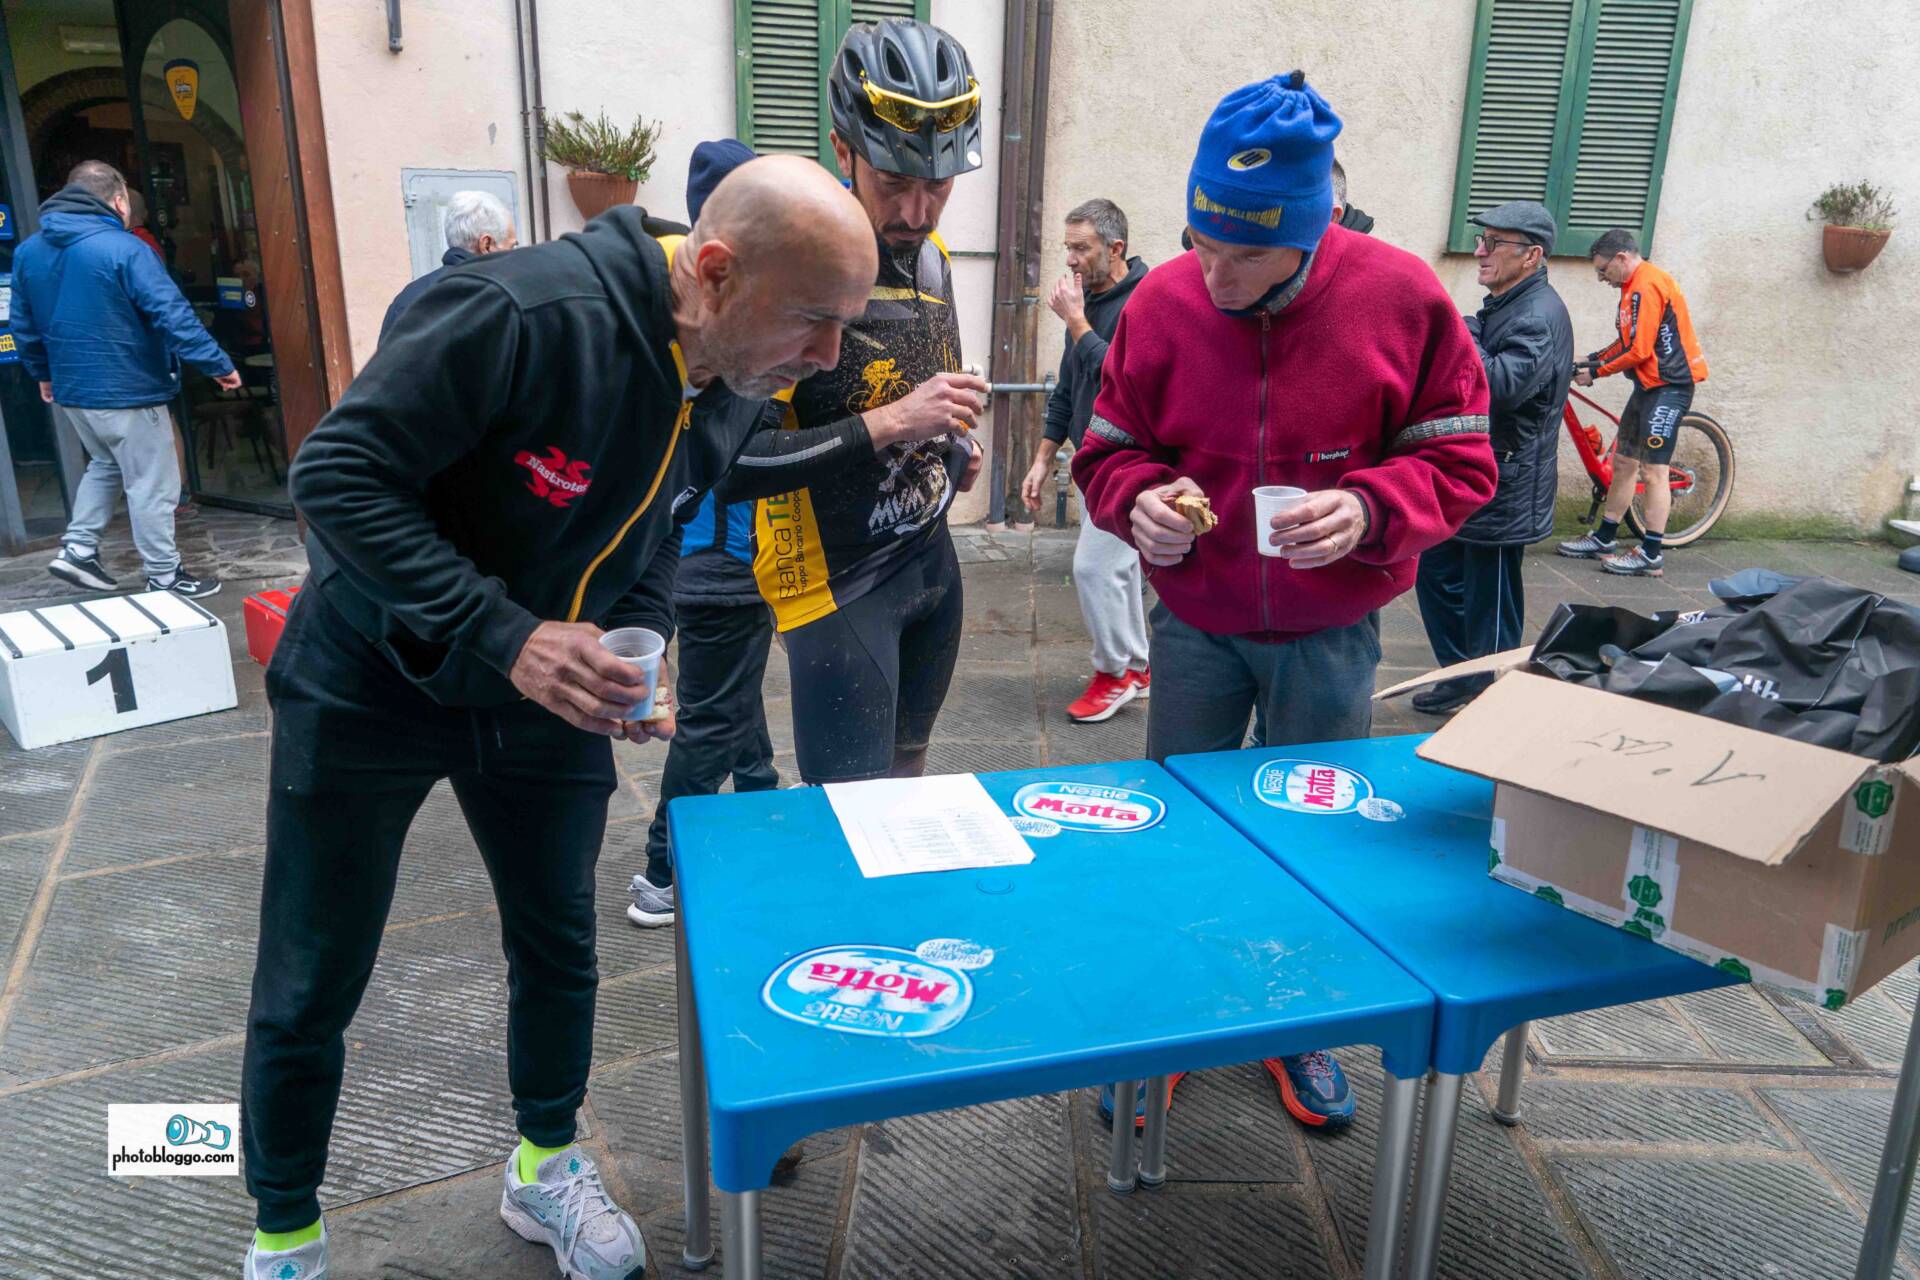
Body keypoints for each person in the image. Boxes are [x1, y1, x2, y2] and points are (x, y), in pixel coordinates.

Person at [238, 155, 875, 1280]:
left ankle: (543, 1162)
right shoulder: (517, 314)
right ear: (714, 272)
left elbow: (663, 528)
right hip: (371, 677)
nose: (828, 357)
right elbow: (334, 477)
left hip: (546, 695)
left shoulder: (735, 375)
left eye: (845, 325)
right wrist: (508, 633)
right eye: (814, 320)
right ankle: (284, 1229)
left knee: (558, 944)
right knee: (313, 965)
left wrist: (638, 642)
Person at [1073, 72, 1494, 1134]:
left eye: (1244, 255)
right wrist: (1137, 503)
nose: (1210, 274)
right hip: (1196, 624)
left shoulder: (1403, 300)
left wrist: (1372, 507)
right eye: (1199, 241)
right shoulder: (1163, 302)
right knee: (1182, 820)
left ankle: (1296, 1015)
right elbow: (1107, 449)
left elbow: (1462, 461)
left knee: (1316, 833)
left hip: (1330, 630)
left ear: (1311, 232)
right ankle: (1175, 1011)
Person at [728, 17, 988, 785]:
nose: (917, 213)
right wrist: (895, 421)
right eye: (894, 182)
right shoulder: (792, 270)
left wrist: (951, 445)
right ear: (842, 151)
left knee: (909, 786)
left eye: (938, 184)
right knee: (849, 814)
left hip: (931, 559)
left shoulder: (934, 259)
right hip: (837, 586)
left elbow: (914, 391)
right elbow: (733, 462)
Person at [629, 138, 787, 928]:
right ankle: (664, 870)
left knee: (733, 697)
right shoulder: (731, 336)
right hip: (720, 566)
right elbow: (747, 462)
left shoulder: (699, 314)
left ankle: (762, 801)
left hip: (713, 568)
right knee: (711, 721)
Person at [12, 160, 240, 599]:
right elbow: (171, 312)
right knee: (152, 484)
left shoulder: (28, 252)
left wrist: (42, 372)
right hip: (128, 387)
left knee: (105, 464)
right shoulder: (126, 248)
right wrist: (216, 363)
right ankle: (164, 575)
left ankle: (79, 549)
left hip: (74, 391)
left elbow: (24, 325)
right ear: (118, 201)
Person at [1412, 201, 1573, 715]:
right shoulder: (1509, 303)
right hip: (1477, 476)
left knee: (1492, 602)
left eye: (1494, 243)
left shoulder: (1537, 315)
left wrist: (1463, 332)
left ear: (1531, 255)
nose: (1480, 251)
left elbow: (1498, 387)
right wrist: (1472, 329)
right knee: (1436, 574)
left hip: (1508, 485)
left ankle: (1492, 697)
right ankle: (1461, 677)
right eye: (1481, 240)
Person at [1019, 198, 1150, 722]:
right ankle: (1136, 666)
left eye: (1082, 248)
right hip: (1094, 460)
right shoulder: (1087, 302)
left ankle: (1113, 674)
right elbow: (1069, 388)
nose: (1070, 259)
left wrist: (1076, 322)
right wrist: (1043, 457)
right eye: (1067, 247)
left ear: (1116, 249)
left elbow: (1123, 379)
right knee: (1120, 569)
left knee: (1094, 568)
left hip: (1131, 461)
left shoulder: (1145, 301)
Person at [1557, 226, 1707, 577]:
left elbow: (1638, 351)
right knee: (1624, 463)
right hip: (1647, 387)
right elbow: (1627, 341)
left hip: (1670, 388)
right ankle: (1604, 537)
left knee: (1653, 471)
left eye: (1603, 269)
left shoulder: (1647, 285)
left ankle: (1651, 554)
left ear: (1622, 258)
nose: (1601, 278)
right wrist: (1590, 359)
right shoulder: (1630, 288)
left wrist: (1596, 373)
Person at [379, 189, 518, 343]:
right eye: (511, 247)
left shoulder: (408, 298)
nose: (514, 257)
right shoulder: (498, 301)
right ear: (486, 245)